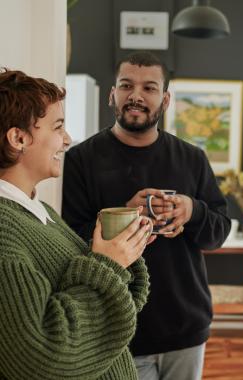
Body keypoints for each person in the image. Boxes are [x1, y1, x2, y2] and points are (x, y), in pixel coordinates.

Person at [62, 51, 231, 380]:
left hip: (186, 327)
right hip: (118, 332)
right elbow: (68, 243)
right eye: (126, 85)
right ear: (113, 94)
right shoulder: (80, 160)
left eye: (149, 88)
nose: (136, 95)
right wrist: (124, 216)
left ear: (165, 100)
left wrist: (192, 210)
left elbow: (219, 232)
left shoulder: (192, 158)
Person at [0, 68, 153, 380]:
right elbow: (42, 358)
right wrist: (109, 264)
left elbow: (113, 307)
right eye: (58, 127)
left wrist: (123, 256)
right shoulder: (4, 232)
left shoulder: (38, 211)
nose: (67, 139)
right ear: (19, 138)